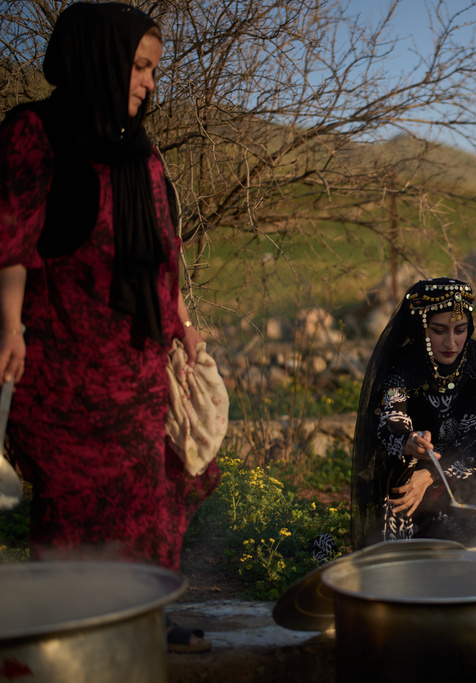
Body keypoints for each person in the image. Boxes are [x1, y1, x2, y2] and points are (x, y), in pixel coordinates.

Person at [0, 3, 219, 653]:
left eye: (154, 69)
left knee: (155, 499)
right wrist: (7, 326)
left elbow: (163, 249)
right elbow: (9, 239)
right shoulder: (34, 134)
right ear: (98, 58)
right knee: (77, 511)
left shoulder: (138, 151)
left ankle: (144, 619)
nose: (151, 82)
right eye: (141, 67)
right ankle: (73, 638)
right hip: (64, 373)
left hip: (139, 368)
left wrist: (180, 324)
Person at [351, 277, 476, 548]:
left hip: (469, 460)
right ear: (421, 327)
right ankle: (415, 547)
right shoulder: (403, 365)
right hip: (418, 462)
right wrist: (410, 442)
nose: (451, 342)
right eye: (439, 330)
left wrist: (434, 474)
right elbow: (391, 421)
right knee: (400, 463)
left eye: (460, 330)